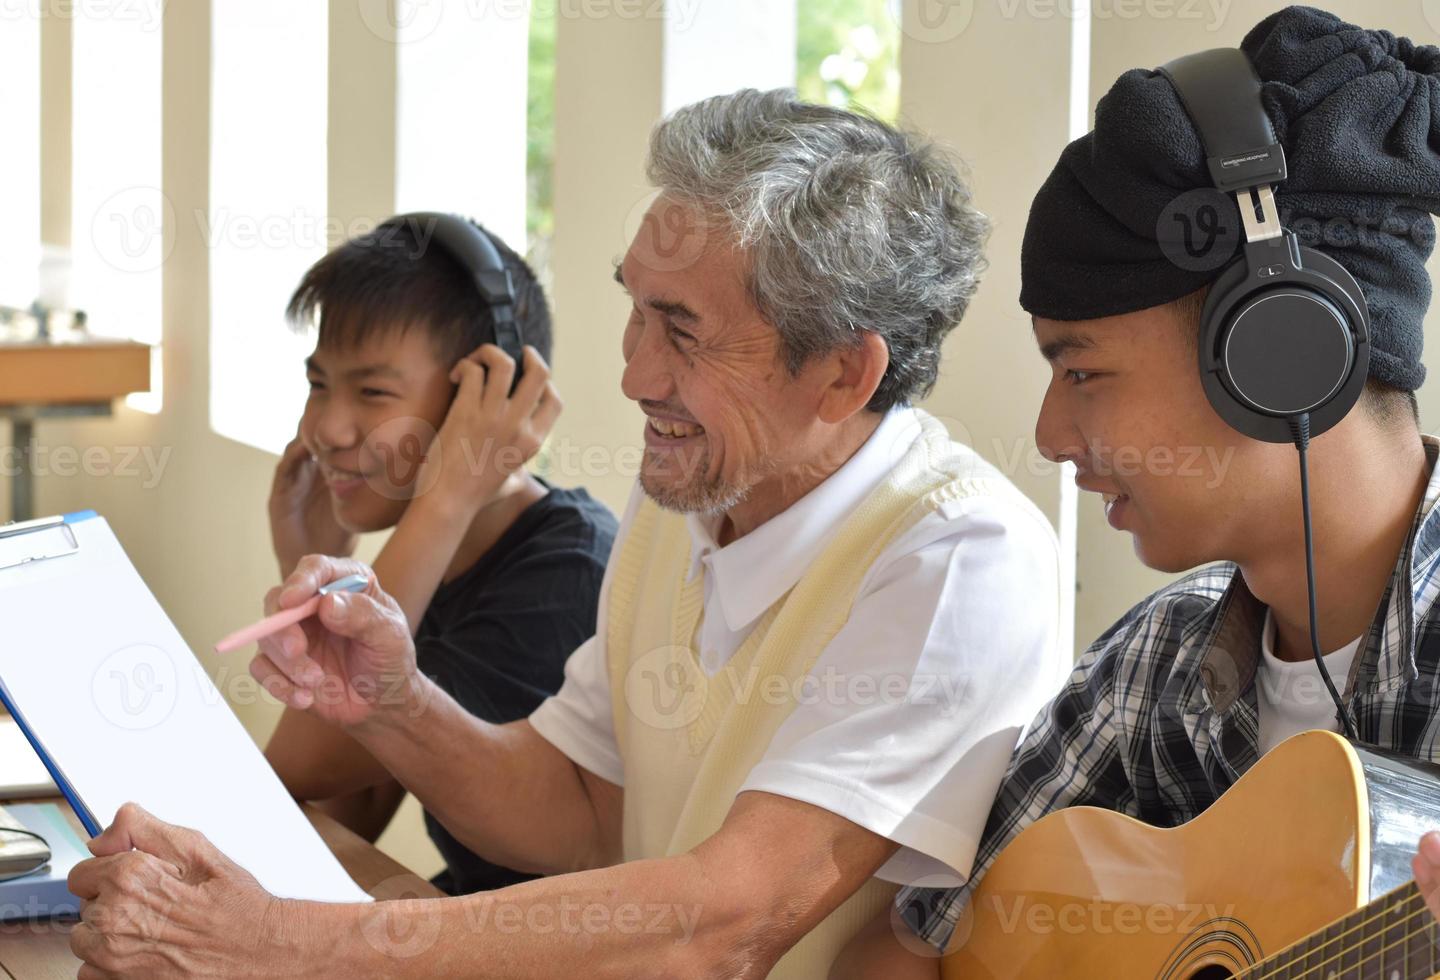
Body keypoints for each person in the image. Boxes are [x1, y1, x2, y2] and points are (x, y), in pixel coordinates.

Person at [65, 89, 1066, 978]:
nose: (634, 373)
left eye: (683, 330)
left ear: (844, 373)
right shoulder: (691, 495)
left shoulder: (958, 559)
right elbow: (580, 808)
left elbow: (721, 926)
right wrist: (393, 700)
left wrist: (279, 941)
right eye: (634, 309)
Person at [834, 8, 1440, 975]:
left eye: (1082, 372)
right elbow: (902, 955)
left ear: (1281, 357)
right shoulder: (1153, 668)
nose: (1047, 435)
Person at [265, 215, 618, 895]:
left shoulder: (561, 578)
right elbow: (350, 804)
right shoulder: (439, 562)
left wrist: (448, 495)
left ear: (486, 399)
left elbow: (298, 767)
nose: (326, 430)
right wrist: (311, 573)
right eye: (318, 385)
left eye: (372, 392)